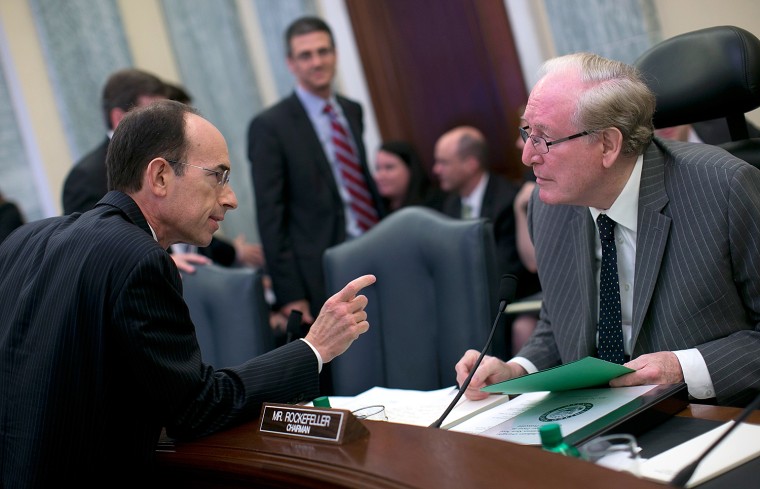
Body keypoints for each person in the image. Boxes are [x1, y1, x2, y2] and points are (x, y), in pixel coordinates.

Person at [0, 100, 376, 486]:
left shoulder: (24, 239)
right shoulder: (138, 258)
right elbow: (196, 408)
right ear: (160, 176)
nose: (231, 198)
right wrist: (314, 348)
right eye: (218, 176)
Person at [456, 52, 760, 408]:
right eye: (527, 132)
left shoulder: (722, 188)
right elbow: (560, 325)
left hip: (710, 416)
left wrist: (683, 368)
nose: (527, 156)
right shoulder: (549, 206)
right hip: (598, 420)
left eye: (545, 138)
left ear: (608, 145)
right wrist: (518, 370)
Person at [247, 16, 384, 328]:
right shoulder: (270, 127)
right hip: (320, 271)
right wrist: (290, 293)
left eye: (323, 51)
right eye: (305, 55)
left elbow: (358, 183)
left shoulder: (352, 110)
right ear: (290, 63)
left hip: (375, 250)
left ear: (335, 54)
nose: (317, 62)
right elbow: (271, 216)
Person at [62, 68, 261, 273]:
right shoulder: (86, 177)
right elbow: (91, 252)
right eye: (155, 111)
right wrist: (158, 263)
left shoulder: (176, 160)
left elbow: (186, 222)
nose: (166, 122)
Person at [433, 125, 538, 299]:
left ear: (471, 164)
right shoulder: (450, 204)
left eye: (443, 162)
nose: (436, 170)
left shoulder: (505, 199)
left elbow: (508, 268)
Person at [373, 140, 443, 212]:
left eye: (389, 167)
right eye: (378, 169)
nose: (380, 176)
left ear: (410, 169)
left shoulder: (437, 203)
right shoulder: (376, 210)